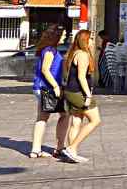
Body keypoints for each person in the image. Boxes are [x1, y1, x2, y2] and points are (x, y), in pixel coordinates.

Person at [28, 26, 72, 159]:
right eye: (63, 34)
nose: (65, 37)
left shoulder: (49, 49)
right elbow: (45, 70)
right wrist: (56, 86)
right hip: (47, 88)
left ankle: (36, 150)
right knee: (64, 114)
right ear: (56, 36)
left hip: (42, 87)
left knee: (43, 117)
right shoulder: (50, 50)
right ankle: (59, 147)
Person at [60, 30, 103, 163]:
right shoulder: (83, 55)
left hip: (70, 91)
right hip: (78, 93)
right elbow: (81, 77)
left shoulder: (73, 53)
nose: (93, 41)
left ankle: (72, 153)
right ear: (85, 40)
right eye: (91, 39)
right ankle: (72, 148)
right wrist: (88, 96)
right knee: (95, 120)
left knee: (76, 122)